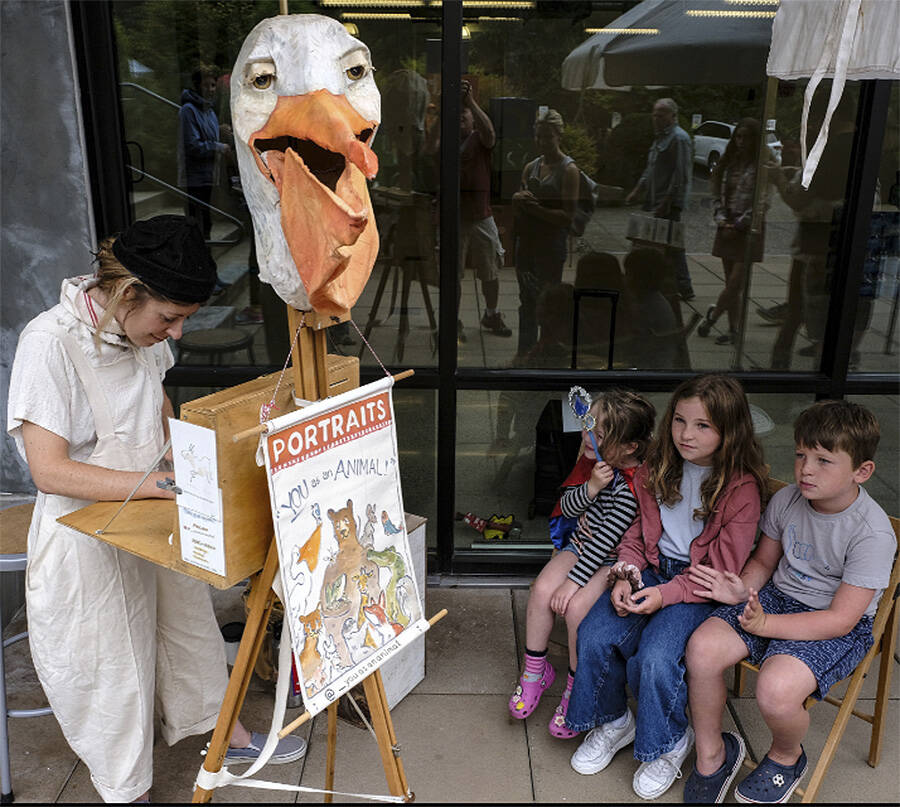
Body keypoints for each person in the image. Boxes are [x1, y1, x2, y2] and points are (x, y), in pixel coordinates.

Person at [6, 216, 304, 803]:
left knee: (186, 626)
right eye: (169, 318)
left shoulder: (141, 335)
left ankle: (224, 734)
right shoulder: (51, 342)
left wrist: (185, 454)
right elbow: (49, 471)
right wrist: (156, 485)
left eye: (184, 321)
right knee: (110, 665)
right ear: (125, 293)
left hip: (153, 511)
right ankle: (127, 788)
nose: (175, 334)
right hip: (84, 531)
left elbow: (156, 396)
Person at [565, 374, 767, 801]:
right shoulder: (660, 463)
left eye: (703, 426)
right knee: (596, 633)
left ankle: (669, 742)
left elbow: (719, 571)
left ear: (729, 431)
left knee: (656, 657)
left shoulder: (742, 488)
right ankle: (615, 721)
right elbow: (637, 530)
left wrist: (664, 595)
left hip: (698, 588)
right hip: (652, 571)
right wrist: (626, 572)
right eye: (679, 421)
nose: (686, 434)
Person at [683, 400, 895, 804]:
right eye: (801, 455)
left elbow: (841, 620)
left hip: (831, 622)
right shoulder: (787, 500)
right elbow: (764, 561)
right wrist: (741, 590)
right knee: (702, 648)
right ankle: (713, 754)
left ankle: (786, 756)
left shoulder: (872, 534)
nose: (806, 469)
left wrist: (766, 627)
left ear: (861, 471)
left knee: (776, 691)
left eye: (823, 460)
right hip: (776, 599)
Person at [508, 389, 656, 739]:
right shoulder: (599, 469)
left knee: (574, 610)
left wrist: (571, 583)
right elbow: (568, 509)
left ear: (630, 446)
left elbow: (607, 541)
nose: (588, 437)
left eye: (601, 434)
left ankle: (577, 686)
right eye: (589, 426)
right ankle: (535, 670)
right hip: (581, 547)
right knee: (543, 589)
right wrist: (590, 487)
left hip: (610, 562)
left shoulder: (632, 488)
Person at [512, 108, 580, 357]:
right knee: (526, 300)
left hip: (550, 246)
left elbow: (568, 217)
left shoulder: (569, 170)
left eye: (547, 137)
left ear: (558, 136)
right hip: (526, 244)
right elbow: (520, 202)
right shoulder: (531, 166)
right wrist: (518, 199)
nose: (542, 142)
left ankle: (547, 353)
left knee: (548, 303)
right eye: (538, 137)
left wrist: (537, 210)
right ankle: (525, 352)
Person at [698, 119, 768, 346]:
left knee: (736, 281)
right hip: (727, 225)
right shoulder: (728, 164)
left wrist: (740, 224)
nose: (741, 142)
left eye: (747, 137)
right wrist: (722, 221)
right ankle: (733, 328)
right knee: (731, 282)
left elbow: (762, 202)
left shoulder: (761, 166)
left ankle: (712, 318)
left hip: (749, 229)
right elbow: (717, 195)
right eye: (738, 137)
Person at [626, 98, 695, 301]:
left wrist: (666, 201)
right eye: (654, 114)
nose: (656, 118)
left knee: (671, 243)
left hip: (669, 201)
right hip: (657, 198)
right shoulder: (660, 138)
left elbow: (680, 175)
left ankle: (682, 286)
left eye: (661, 114)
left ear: (673, 116)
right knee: (669, 243)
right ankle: (677, 285)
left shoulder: (679, 138)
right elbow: (651, 168)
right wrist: (638, 189)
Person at [458, 79, 511, 339]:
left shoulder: (479, 139)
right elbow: (428, 149)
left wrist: (471, 103)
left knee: (490, 267)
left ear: (471, 119)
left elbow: (490, 134)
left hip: (481, 215)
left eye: (464, 116)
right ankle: (452, 319)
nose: (460, 119)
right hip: (454, 216)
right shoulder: (445, 140)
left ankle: (492, 313)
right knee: (452, 272)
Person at [178, 64, 230, 293]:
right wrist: (219, 145)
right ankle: (200, 279)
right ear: (197, 85)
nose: (211, 89)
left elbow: (206, 135)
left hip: (209, 178)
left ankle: (210, 276)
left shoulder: (208, 110)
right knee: (197, 230)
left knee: (207, 229)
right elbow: (192, 145)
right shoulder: (188, 110)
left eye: (213, 85)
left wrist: (220, 130)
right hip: (195, 180)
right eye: (207, 85)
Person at [621, 247, 680, 369]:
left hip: (647, 368)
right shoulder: (653, 301)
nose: (624, 278)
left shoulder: (646, 308)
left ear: (637, 278)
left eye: (627, 273)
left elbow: (629, 346)